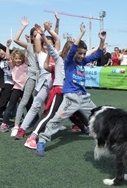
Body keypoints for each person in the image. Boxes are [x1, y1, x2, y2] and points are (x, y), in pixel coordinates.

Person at [36, 26, 106, 157]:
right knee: (56, 120)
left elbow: (98, 54)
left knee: (99, 116)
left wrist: (101, 41)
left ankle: (106, 139)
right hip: (70, 99)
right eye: (79, 53)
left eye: (84, 54)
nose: (82, 56)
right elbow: (73, 48)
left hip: (84, 98)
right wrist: (82, 33)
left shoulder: (83, 62)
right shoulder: (67, 62)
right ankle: (42, 140)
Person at [11, 16, 38, 137]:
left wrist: (48, 29)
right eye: (35, 34)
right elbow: (15, 39)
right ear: (32, 37)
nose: (38, 36)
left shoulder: (46, 47)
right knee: (24, 101)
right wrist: (23, 27)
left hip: (44, 77)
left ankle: (45, 124)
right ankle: (17, 126)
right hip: (32, 76)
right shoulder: (30, 46)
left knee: (47, 101)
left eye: (39, 34)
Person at [0, 49, 28, 133]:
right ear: (13, 59)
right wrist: (7, 47)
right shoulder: (12, 66)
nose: (18, 60)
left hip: (26, 88)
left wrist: (29, 42)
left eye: (19, 58)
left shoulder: (25, 63)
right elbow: (8, 57)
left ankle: (34, 121)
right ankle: (4, 123)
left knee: (30, 105)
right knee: (11, 105)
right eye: (16, 58)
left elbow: (27, 53)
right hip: (17, 88)